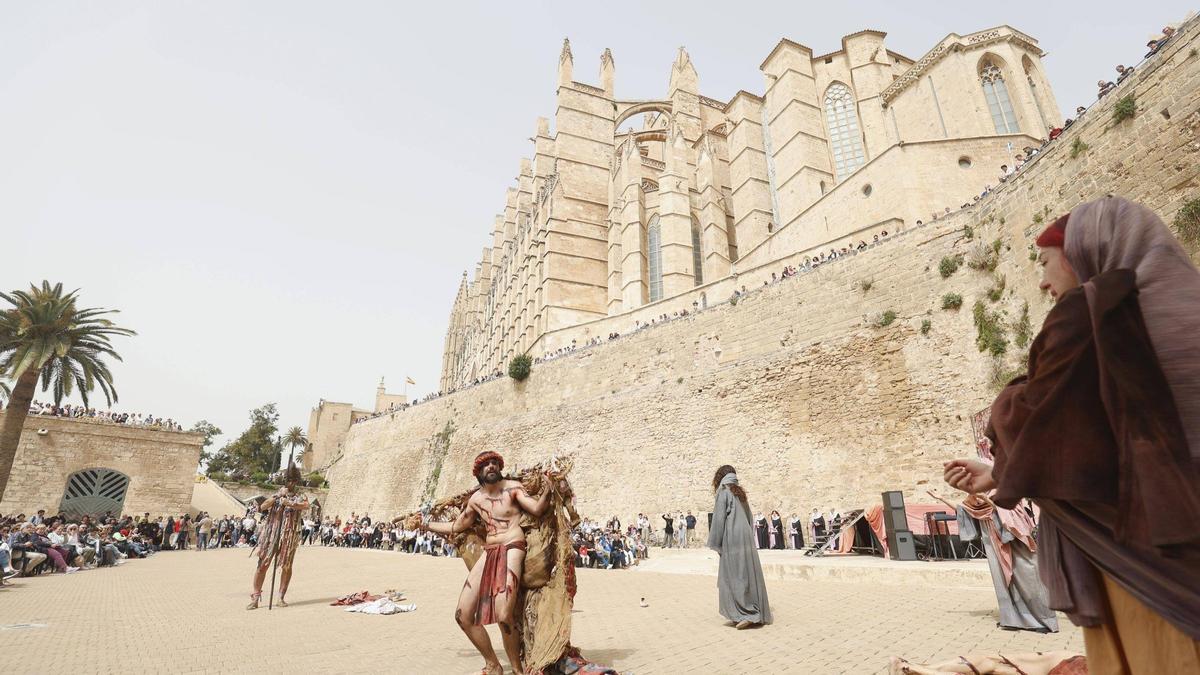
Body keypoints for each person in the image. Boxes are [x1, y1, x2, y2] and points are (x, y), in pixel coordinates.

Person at [944, 196, 1200, 673]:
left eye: (1044, 262)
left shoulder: (1092, 309)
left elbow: (1042, 415)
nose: (1041, 281)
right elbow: (1107, 428)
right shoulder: (1178, 308)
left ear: (1082, 251)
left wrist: (1007, 406)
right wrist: (1000, 471)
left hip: (1140, 547)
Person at [417, 451, 552, 675]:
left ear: (499, 468)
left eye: (494, 463)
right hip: (489, 552)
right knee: (462, 615)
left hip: (512, 547)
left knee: (503, 615)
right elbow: (457, 526)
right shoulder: (476, 500)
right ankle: (493, 664)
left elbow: (537, 509)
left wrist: (548, 489)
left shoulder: (512, 488)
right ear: (478, 472)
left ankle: (517, 670)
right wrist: (426, 526)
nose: (491, 466)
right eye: (485, 464)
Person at [707, 465, 772, 629]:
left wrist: (716, 542)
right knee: (746, 573)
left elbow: (719, 518)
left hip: (732, 536)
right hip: (746, 536)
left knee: (733, 575)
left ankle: (747, 613)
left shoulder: (723, 490)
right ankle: (741, 612)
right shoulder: (739, 492)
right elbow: (749, 517)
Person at [247, 463, 309, 609]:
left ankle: (280, 597)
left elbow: (306, 505)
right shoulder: (277, 493)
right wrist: (278, 496)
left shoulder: (300, 495)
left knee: (287, 565)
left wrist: (290, 503)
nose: (291, 483)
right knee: (263, 564)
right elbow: (263, 506)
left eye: (294, 480)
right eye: (289, 480)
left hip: (289, 533)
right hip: (272, 532)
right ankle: (255, 597)